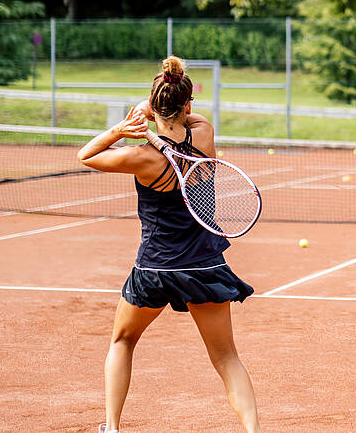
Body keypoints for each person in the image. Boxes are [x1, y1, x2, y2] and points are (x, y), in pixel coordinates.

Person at [78, 56, 261, 433]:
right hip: (204, 266)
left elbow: (86, 155)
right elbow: (186, 119)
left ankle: (111, 428)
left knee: (123, 340)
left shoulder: (139, 157)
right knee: (227, 357)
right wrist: (162, 117)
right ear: (188, 104)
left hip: (156, 268)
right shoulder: (205, 133)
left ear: (152, 105)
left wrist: (123, 129)